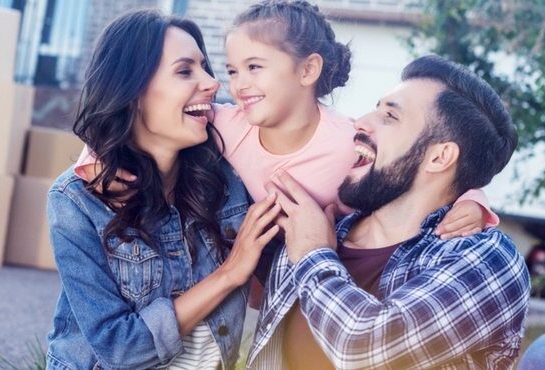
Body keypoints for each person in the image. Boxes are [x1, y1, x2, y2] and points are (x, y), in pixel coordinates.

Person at [74, 0, 498, 309]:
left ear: (307, 70)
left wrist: (473, 202)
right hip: (223, 286)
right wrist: (94, 157)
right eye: (234, 70)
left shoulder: (346, 142)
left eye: (255, 67)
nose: (238, 85)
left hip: (298, 287)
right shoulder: (225, 123)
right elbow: (145, 121)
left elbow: (409, 175)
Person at [248, 55, 530, 369]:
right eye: (376, 107)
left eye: (390, 117)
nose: (361, 122)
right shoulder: (318, 224)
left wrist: (313, 253)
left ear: (439, 158)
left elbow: (363, 349)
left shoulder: (487, 258)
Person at [46, 10, 280, 369]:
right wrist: (229, 273)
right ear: (133, 91)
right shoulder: (78, 201)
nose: (212, 83)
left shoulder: (228, 175)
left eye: (205, 67)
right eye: (185, 70)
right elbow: (119, 348)